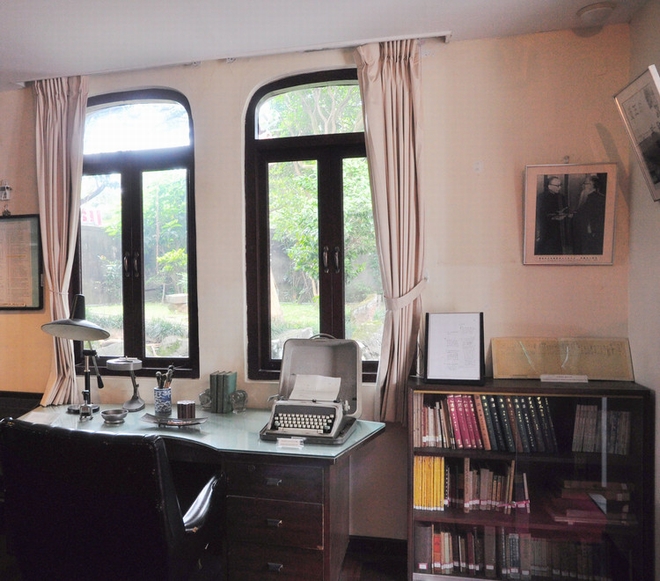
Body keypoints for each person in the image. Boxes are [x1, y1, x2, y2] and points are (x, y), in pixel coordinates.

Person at [571, 174, 606, 254]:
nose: (583, 186)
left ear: (592, 185)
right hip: (585, 230)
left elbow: (594, 217)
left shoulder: (597, 198)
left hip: (590, 232)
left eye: (586, 183)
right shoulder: (586, 196)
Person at [535, 175, 568, 255]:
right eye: (557, 186)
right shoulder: (541, 197)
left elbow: (565, 208)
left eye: (560, 185)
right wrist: (553, 216)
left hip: (558, 228)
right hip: (546, 228)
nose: (559, 188)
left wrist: (564, 213)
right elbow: (539, 214)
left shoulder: (561, 197)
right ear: (549, 186)